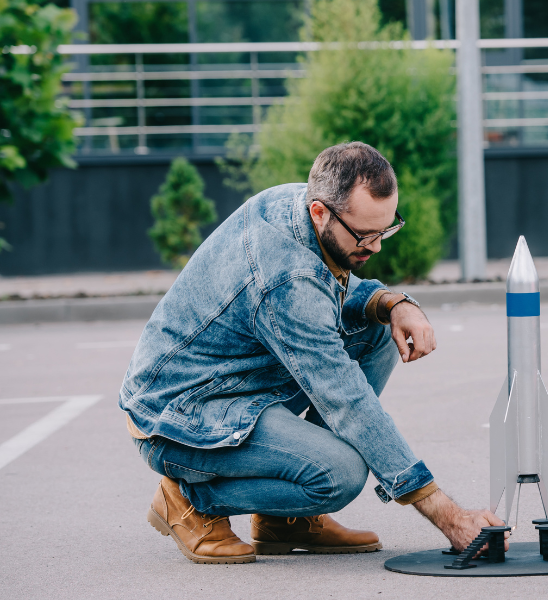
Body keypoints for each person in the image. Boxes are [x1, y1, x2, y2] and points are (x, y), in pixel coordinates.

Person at [120, 142, 505, 564]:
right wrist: (448, 516)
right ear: (321, 212)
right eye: (364, 235)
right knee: (339, 474)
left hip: (241, 380)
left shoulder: (300, 205)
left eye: (386, 229)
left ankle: (282, 518)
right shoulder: (286, 277)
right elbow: (346, 401)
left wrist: (393, 302)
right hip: (182, 416)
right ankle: (188, 500)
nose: (376, 247)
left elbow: (326, 287)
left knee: (375, 330)